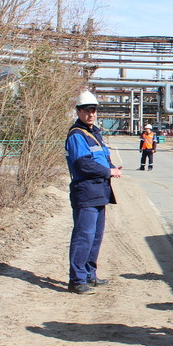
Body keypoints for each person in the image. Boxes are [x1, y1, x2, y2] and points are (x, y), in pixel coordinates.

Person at [66, 91, 122, 294]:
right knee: (84, 236)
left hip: (99, 191)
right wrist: (109, 171)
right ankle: (77, 280)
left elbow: (101, 158)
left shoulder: (94, 133)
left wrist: (112, 167)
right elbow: (82, 164)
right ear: (79, 112)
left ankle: (90, 274)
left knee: (96, 236)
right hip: (86, 191)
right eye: (87, 110)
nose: (91, 114)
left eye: (93, 110)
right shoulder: (76, 135)